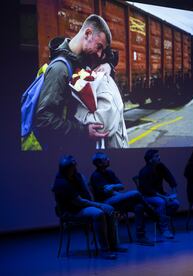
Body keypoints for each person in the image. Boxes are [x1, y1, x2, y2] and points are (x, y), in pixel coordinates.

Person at [34, 14, 114, 150]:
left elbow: (111, 56)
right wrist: (83, 131)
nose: (99, 54)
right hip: (57, 150)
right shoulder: (60, 68)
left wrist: (108, 65)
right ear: (88, 33)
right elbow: (44, 119)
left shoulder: (79, 60)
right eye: (99, 46)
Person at [52, 155, 118, 259]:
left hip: (80, 206)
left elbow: (85, 191)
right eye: (73, 166)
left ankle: (113, 245)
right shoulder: (62, 183)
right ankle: (104, 250)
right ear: (67, 169)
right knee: (99, 213)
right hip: (70, 211)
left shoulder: (75, 176)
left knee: (108, 211)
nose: (76, 168)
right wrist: (100, 205)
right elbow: (79, 201)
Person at [89, 152, 159, 246]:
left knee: (139, 206)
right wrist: (117, 191)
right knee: (135, 193)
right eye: (105, 159)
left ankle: (141, 237)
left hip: (117, 199)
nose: (108, 159)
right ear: (99, 163)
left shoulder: (110, 172)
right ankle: (152, 213)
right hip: (106, 203)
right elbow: (107, 192)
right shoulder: (96, 176)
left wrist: (113, 186)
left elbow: (121, 186)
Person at [135, 149, 180, 239]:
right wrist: (165, 197)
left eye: (158, 156)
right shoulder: (144, 172)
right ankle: (164, 229)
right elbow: (149, 191)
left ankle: (159, 218)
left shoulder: (160, 167)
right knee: (161, 202)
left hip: (159, 195)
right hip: (147, 196)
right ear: (150, 160)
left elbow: (170, 178)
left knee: (175, 203)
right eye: (156, 156)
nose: (159, 158)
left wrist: (174, 194)